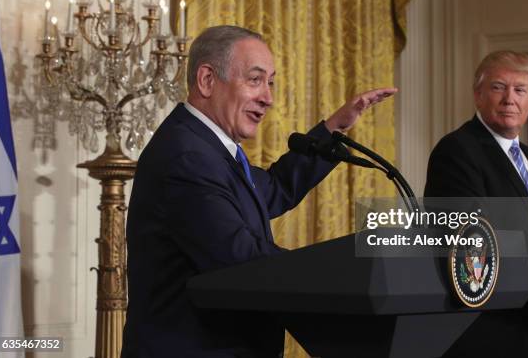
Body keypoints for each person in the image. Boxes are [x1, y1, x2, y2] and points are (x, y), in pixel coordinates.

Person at [120, 25, 396, 358]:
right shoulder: (187, 155)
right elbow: (241, 259)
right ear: (207, 80)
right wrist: (348, 273)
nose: (268, 98)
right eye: (255, 80)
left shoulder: (209, 148)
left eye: (271, 82)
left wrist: (333, 129)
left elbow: (274, 189)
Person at [424, 50, 528, 358]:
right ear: (478, 95)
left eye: (520, 90)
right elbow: (466, 234)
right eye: (498, 87)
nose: (510, 98)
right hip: (488, 318)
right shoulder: (457, 150)